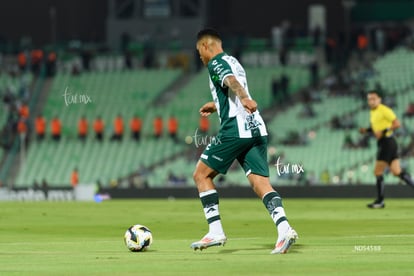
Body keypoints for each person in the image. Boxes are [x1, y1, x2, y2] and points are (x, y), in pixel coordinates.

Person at [191, 29, 298, 254]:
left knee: (201, 175)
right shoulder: (233, 60)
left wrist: (244, 98)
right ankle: (285, 229)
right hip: (256, 128)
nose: (200, 57)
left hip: (235, 130)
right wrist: (216, 104)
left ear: (205, 46)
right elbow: (231, 83)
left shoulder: (216, 62)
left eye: (199, 51)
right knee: (261, 184)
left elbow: (231, 82)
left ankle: (216, 231)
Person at [359, 91, 414, 208]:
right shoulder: (373, 112)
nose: (371, 101)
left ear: (379, 99)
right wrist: (367, 131)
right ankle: (380, 201)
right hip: (388, 143)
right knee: (397, 172)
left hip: (387, 142)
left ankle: (380, 201)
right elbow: (377, 129)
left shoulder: (384, 110)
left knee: (377, 172)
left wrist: (384, 131)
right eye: (369, 99)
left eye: (374, 99)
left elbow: (397, 123)